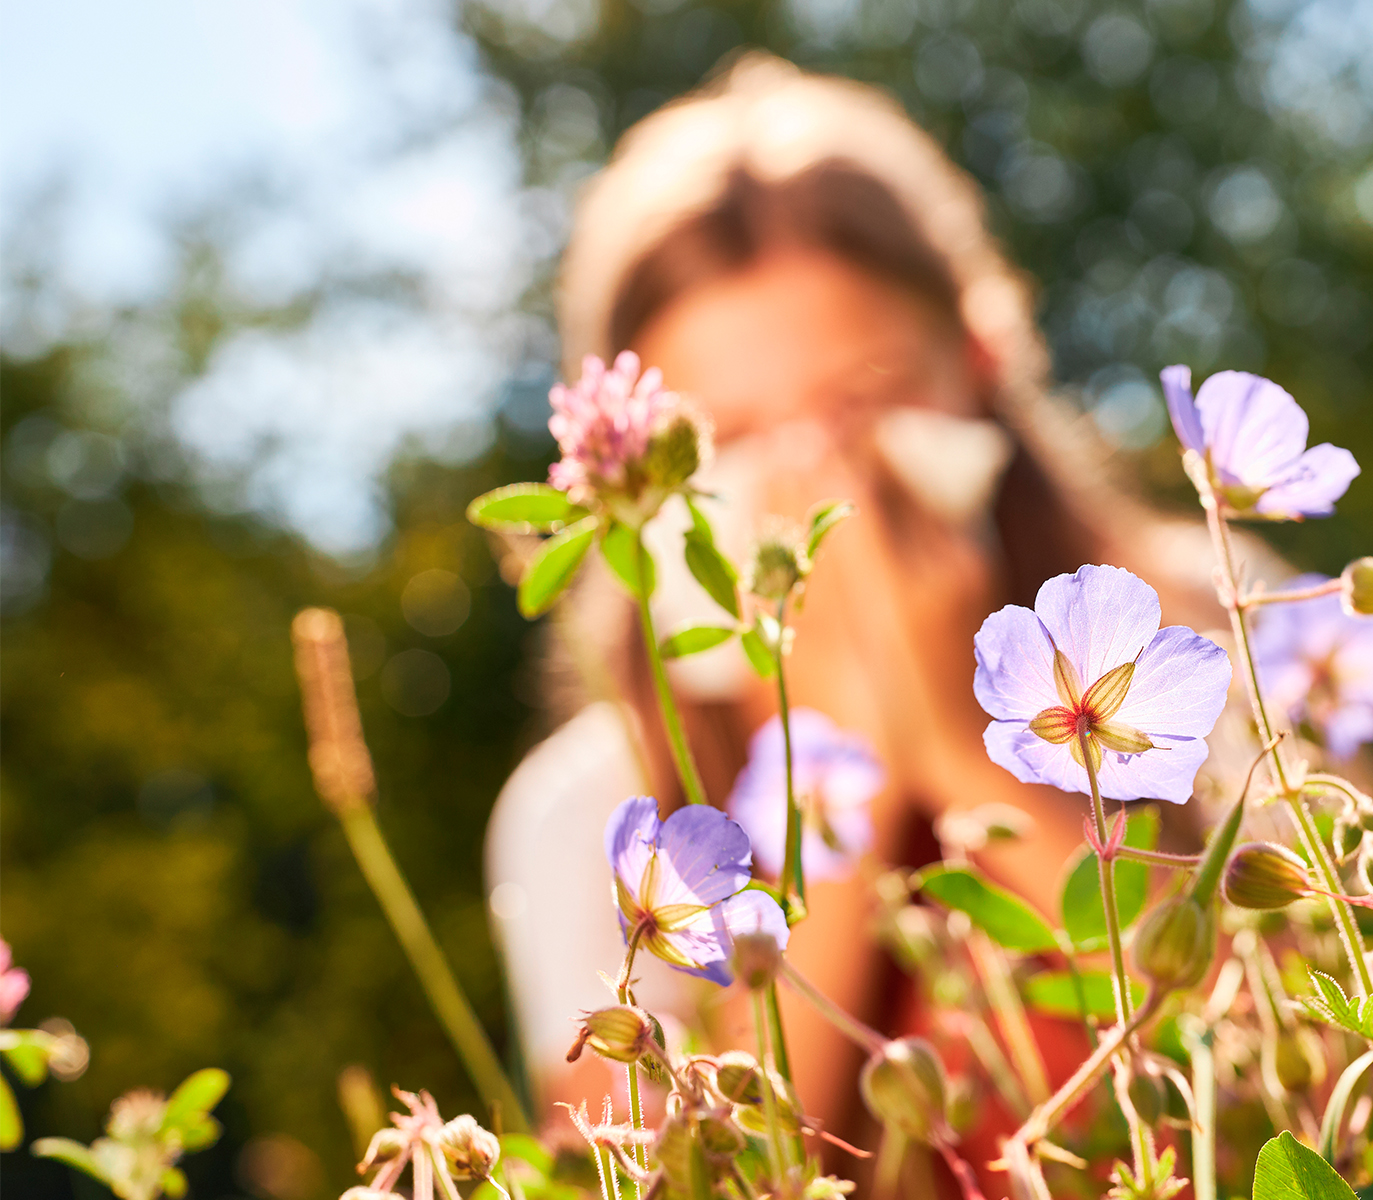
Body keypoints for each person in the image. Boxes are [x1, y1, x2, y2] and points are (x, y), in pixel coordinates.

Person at [483, 53, 1256, 1158]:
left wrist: (956, 732)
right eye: (728, 440)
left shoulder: (1210, 615)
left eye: (861, 399)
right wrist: (831, 774)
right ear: (629, 482)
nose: (814, 482)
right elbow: (679, 1173)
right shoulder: (585, 806)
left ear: (980, 358)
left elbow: (1290, 1061)